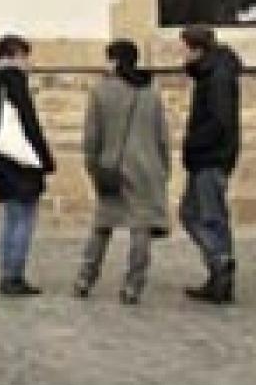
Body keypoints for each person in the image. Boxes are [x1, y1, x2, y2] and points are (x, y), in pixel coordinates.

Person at [72, 40, 170, 305]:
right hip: (148, 169)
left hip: (111, 166)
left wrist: (93, 168)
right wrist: (164, 170)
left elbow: (91, 138)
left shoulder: (101, 92)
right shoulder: (150, 91)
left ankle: (85, 278)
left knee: (102, 226)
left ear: (113, 60)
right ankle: (133, 287)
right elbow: (163, 137)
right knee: (141, 230)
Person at [0, 35, 56, 297]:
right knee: (24, 217)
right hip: (20, 158)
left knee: (11, 218)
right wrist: (45, 159)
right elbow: (29, 123)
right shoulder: (13, 81)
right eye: (25, 56)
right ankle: (14, 275)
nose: (28, 63)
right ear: (14, 56)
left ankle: (7, 272)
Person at [177, 25, 243, 305]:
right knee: (195, 213)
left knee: (206, 215)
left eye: (184, 47)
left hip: (211, 157)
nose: (180, 52)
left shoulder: (217, 75)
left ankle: (220, 262)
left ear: (197, 48)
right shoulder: (209, 73)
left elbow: (220, 120)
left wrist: (193, 144)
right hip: (206, 157)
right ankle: (218, 269)